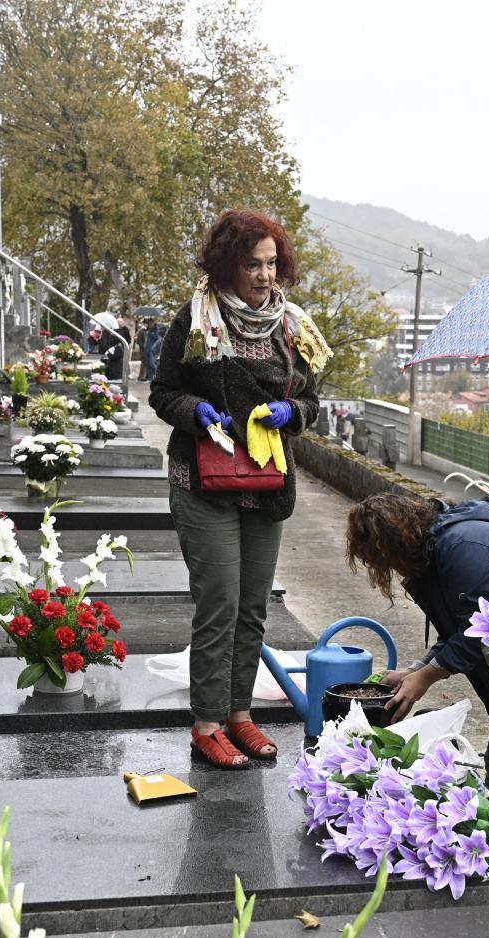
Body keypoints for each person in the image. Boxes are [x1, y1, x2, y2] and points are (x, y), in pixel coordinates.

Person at [149, 209, 326, 769]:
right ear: (228, 265)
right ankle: (206, 724)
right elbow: (163, 391)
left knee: (253, 608)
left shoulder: (291, 325)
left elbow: (311, 400)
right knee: (219, 604)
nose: (265, 275)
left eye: (272, 264)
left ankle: (239, 715)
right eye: (253, 264)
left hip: (267, 483)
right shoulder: (196, 319)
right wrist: (196, 412)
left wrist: (292, 413)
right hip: (204, 482)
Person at [344, 492, 489, 814]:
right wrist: (415, 671)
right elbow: (455, 630)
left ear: (393, 542)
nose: (384, 569)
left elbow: (481, 628)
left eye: (380, 559)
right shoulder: (432, 554)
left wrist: (426, 677)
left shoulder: (461, 547)